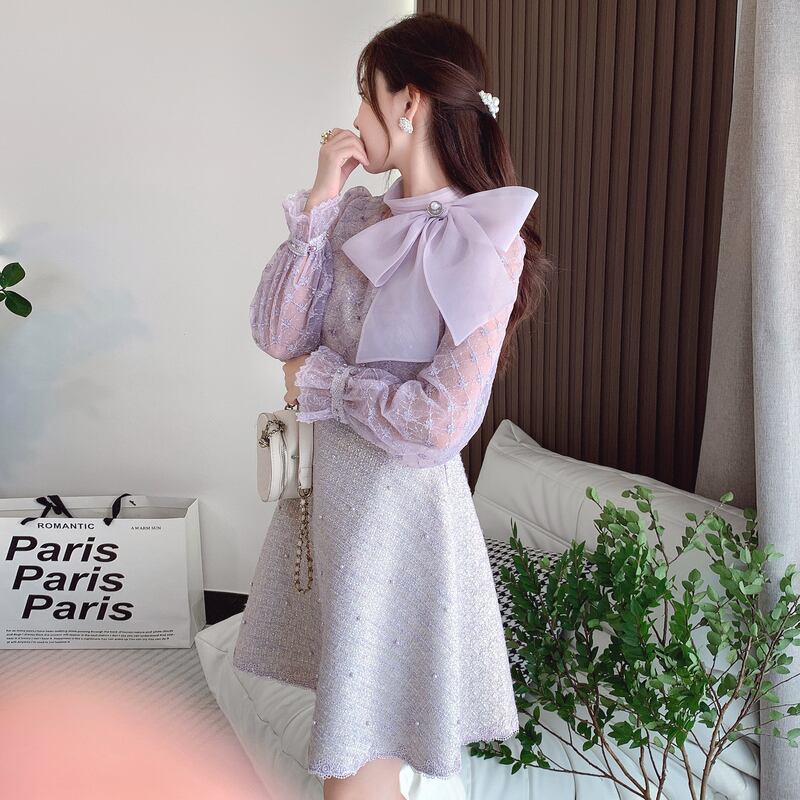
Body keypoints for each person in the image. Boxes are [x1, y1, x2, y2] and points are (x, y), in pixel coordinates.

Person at [233, 11, 553, 800]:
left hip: (402, 526)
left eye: (364, 93)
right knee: (355, 756)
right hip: (332, 512)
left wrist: (325, 384)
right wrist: (319, 202)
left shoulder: (490, 241)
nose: (354, 114)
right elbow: (278, 335)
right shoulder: (352, 215)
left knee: (355, 764)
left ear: (408, 103)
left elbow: (439, 422)